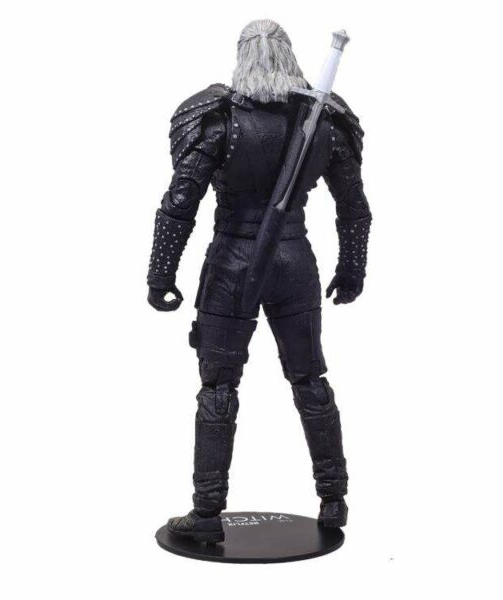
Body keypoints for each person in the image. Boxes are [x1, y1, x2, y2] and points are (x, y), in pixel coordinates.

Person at [147, 19, 371, 543]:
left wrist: (161, 273)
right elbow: (355, 209)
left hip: (232, 261)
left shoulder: (219, 119)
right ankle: (333, 499)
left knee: (219, 386)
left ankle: (207, 513)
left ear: (243, 55)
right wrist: (352, 268)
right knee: (309, 380)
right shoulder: (323, 121)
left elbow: (179, 204)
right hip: (295, 262)